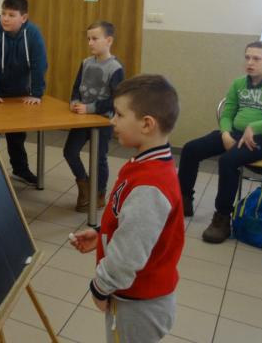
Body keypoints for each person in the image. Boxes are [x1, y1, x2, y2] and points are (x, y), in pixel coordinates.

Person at [70, 74, 184, 343]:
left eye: (120, 115)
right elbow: (132, 224)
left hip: (139, 306)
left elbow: (128, 256)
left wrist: (100, 288)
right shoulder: (145, 164)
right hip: (135, 299)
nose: (113, 121)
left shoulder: (150, 184)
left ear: (147, 124)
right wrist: (102, 234)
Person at [178, 41, 262, 243]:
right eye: (247, 57)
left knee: (228, 161)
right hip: (234, 133)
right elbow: (227, 114)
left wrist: (254, 127)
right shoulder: (238, 83)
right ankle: (184, 201)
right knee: (191, 149)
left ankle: (222, 218)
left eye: (256, 58)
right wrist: (225, 133)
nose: (250, 62)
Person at [0, 0, 47, 185]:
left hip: (18, 92)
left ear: (23, 18)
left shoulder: (33, 33)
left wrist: (36, 93)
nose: (5, 18)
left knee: (17, 137)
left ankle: (20, 169)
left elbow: (39, 64)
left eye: (11, 15)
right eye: (3, 13)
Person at [65, 21, 124, 211]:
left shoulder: (115, 68)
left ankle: (98, 194)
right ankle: (85, 186)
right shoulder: (86, 63)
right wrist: (74, 100)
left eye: (95, 39)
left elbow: (116, 99)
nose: (90, 43)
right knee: (70, 152)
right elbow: (77, 87)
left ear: (109, 40)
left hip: (102, 121)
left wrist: (90, 108)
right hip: (82, 120)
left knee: (99, 159)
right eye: (88, 39)